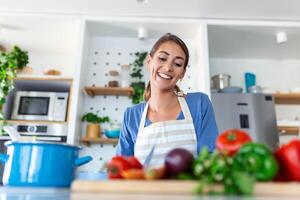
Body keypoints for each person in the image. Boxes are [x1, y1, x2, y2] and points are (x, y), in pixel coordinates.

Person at [116, 33, 218, 167]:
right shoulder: (132, 116)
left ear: (182, 73)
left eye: (177, 63)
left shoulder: (199, 104)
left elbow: (210, 161)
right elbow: (121, 170)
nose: (168, 67)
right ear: (149, 62)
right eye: (162, 58)